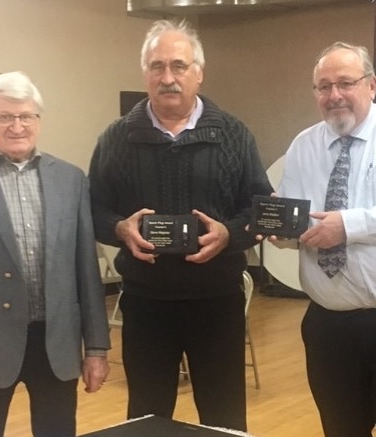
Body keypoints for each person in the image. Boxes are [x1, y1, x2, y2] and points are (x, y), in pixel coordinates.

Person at [88, 19, 272, 432]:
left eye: (178, 66)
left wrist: (229, 235)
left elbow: (259, 209)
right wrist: (119, 229)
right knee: (147, 417)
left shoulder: (234, 134)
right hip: (145, 303)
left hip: (217, 301)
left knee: (224, 417)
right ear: (145, 73)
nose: (167, 78)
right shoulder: (116, 138)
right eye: (157, 67)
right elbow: (94, 210)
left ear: (199, 72)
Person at [0, 71, 111, 437]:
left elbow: (86, 273)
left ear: (38, 120)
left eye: (26, 116)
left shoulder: (70, 178)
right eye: (4, 116)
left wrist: (96, 348)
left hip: (56, 345)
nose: (16, 126)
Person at [269, 42, 376, 436]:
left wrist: (349, 225)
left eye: (345, 83)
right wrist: (282, 232)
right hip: (328, 327)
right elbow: (296, 218)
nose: (334, 95)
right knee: (340, 430)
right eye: (323, 86)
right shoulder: (303, 145)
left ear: (371, 85)